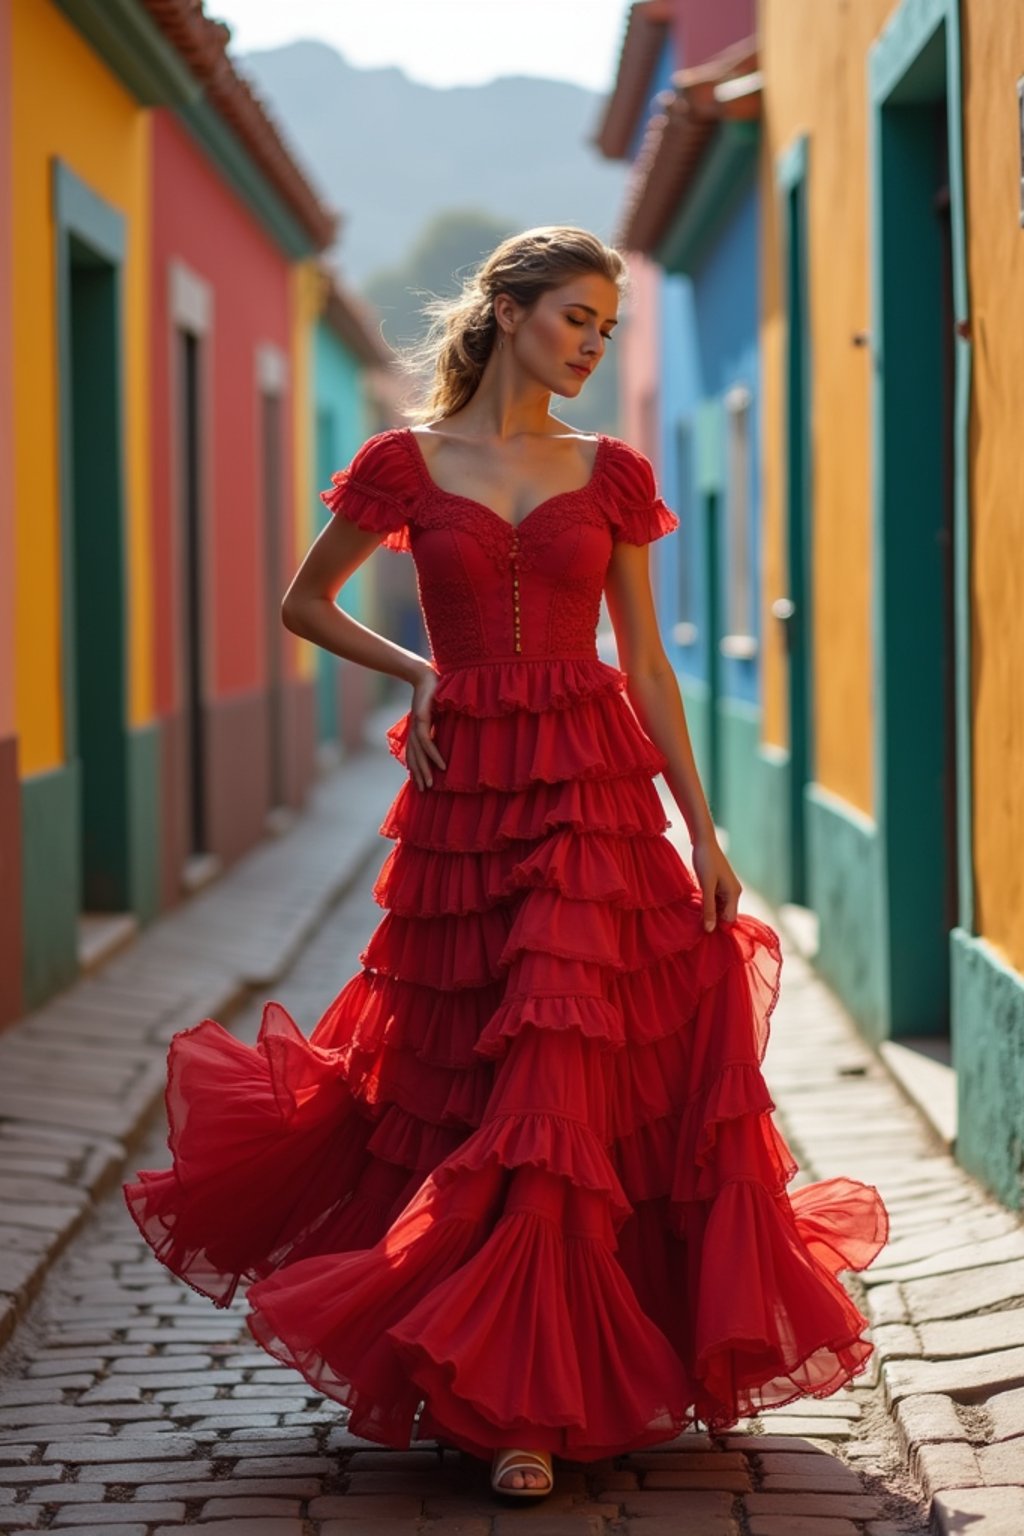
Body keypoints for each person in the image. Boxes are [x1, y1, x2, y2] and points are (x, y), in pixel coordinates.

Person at [124, 225, 889, 1501]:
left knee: (573, 1087)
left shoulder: (612, 471)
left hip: (592, 801)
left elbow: (644, 663)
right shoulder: (403, 464)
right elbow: (305, 602)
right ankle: (495, 1381)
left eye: (607, 326)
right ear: (510, 310)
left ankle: (540, 1401)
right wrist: (422, 673)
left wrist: (702, 832)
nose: (592, 343)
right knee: (463, 1082)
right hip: (465, 799)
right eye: (577, 317)